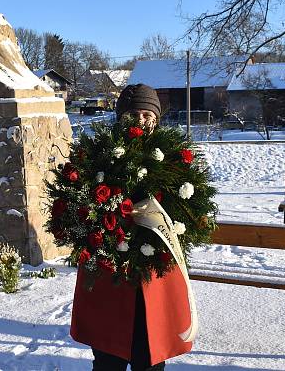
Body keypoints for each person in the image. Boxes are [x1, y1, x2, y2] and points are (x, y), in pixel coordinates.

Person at [70, 83, 193, 371]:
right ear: (121, 116)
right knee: (108, 353)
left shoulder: (172, 159)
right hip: (110, 274)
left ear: (157, 119)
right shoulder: (99, 156)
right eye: (134, 114)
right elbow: (80, 207)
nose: (141, 120)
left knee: (149, 351)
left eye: (148, 114)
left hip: (154, 272)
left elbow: (188, 212)